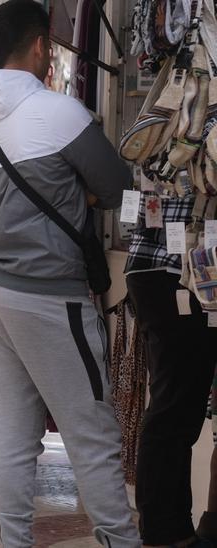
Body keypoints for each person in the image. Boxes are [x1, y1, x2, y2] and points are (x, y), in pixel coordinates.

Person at [0, 2, 140, 546]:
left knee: (14, 437)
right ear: (41, 46)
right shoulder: (60, 114)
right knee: (91, 433)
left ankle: (13, 541)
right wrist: (76, 194)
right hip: (51, 300)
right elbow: (117, 188)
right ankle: (120, 540)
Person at [128, 189, 217, 548]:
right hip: (187, 272)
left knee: (173, 410)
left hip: (156, 268)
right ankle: (166, 533)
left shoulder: (155, 130)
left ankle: (172, 529)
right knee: (174, 414)